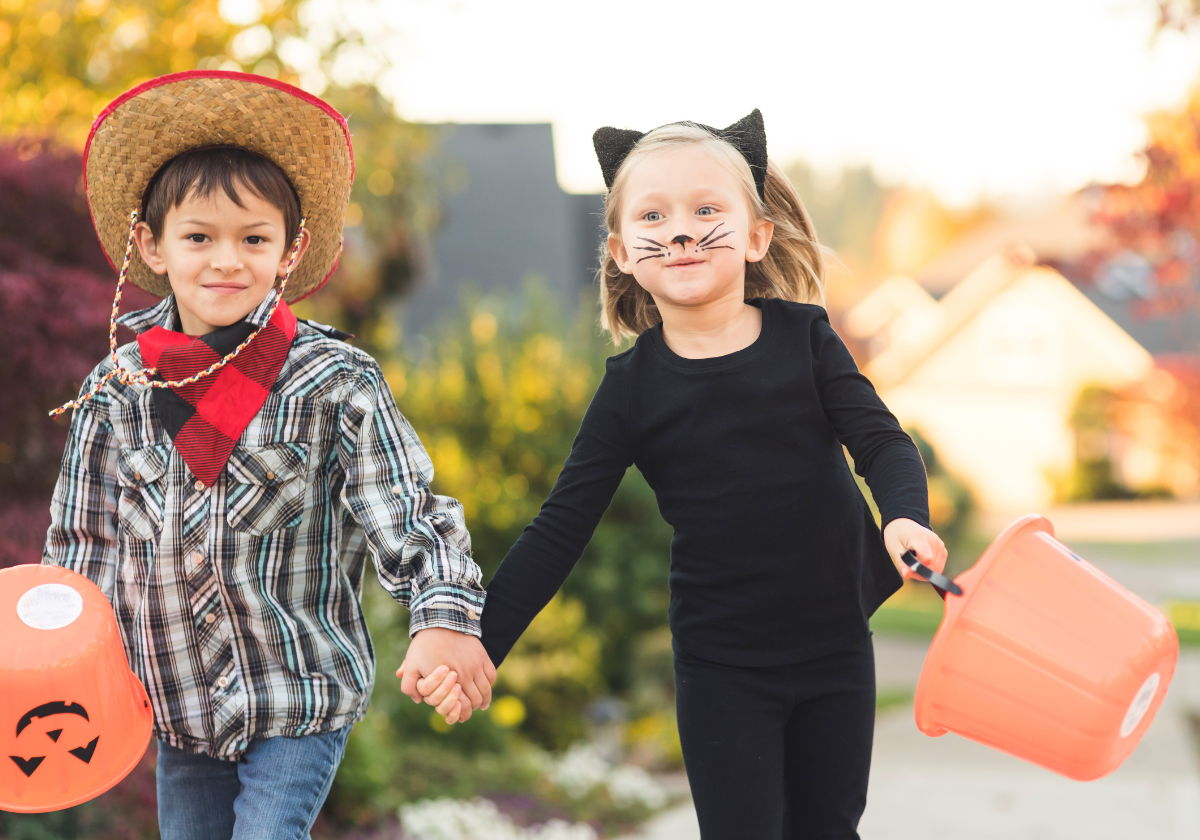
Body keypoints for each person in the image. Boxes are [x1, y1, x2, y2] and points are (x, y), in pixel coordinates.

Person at [404, 110, 947, 839]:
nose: (683, 231)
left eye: (706, 211)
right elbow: (560, 528)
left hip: (835, 646)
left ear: (756, 236)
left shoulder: (807, 342)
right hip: (722, 666)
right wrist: (482, 642)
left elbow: (881, 442)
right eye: (654, 216)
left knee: (828, 829)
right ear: (623, 250)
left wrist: (905, 515)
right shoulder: (632, 389)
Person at [41, 71, 492, 840]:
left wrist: (442, 617)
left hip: (298, 696)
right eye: (199, 237)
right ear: (151, 243)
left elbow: (407, 513)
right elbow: (83, 545)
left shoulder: (332, 382)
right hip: (177, 707)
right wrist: (58, 662)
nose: (227, 261)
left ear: (292, 249)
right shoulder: (116, 393)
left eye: (253, 239)